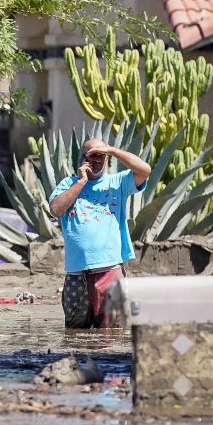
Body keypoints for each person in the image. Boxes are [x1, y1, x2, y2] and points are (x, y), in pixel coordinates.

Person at [48, 138, 151, 328]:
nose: (96, 160)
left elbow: (145, 170)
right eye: (91, 155)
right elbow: (55, 209)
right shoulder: (68, 184)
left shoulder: (118, 182)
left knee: (110, 334)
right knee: (75, 334)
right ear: (81, 159)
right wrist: (80, 183)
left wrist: (111, 149)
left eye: (101, 156)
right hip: (75, 274)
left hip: (109, 271)